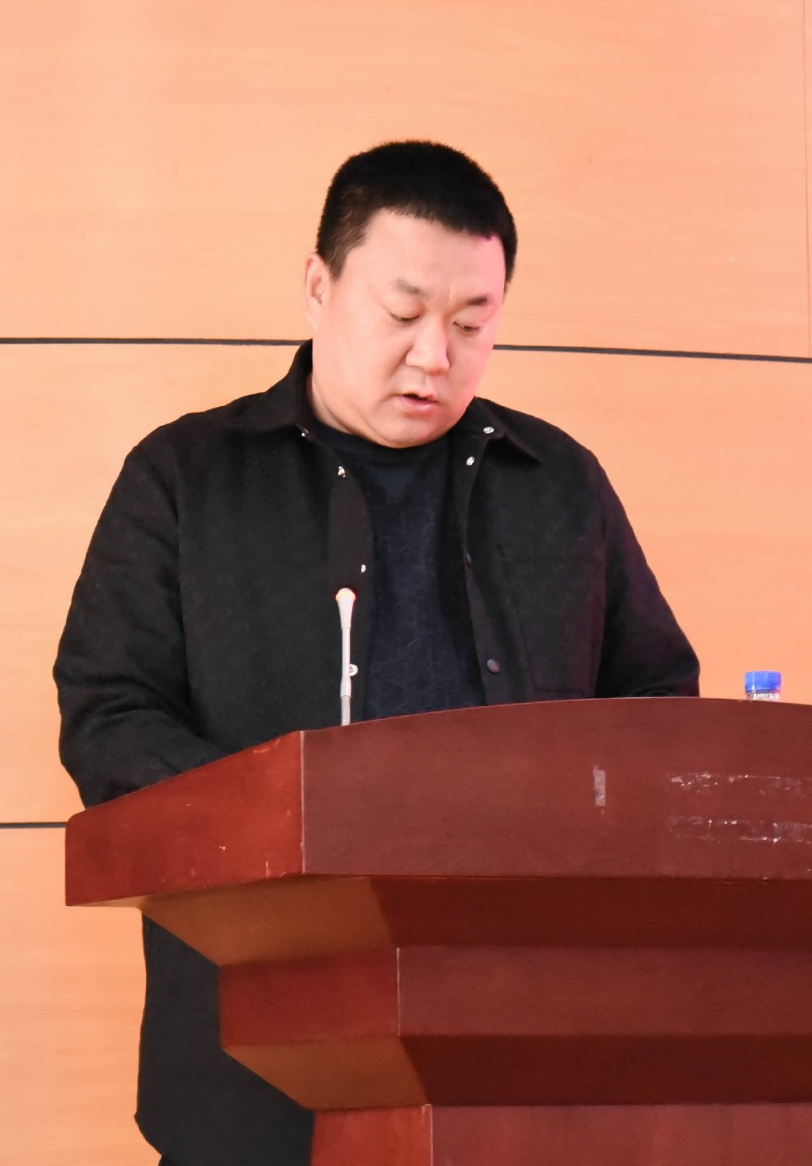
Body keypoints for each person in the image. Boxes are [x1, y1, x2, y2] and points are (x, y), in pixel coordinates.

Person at [54, 140, 699, 1165]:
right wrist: (288, 824)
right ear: (319, 286)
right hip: (256, 1042)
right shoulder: (187, 479)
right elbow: (110, 715)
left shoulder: (558, 483)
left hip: (524, 1042)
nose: (435, 356)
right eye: (403, 315)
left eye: (472, 324)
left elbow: (657, 700)